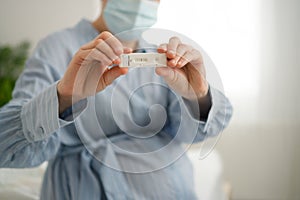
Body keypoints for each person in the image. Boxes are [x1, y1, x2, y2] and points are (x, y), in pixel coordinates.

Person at [0, 0, 233, 199]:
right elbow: (7, 145)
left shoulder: (165, 59)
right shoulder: (56, 49)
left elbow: (194, 133)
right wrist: (63, 97)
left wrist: (198, 95)